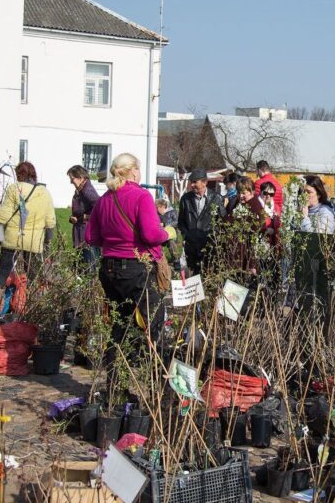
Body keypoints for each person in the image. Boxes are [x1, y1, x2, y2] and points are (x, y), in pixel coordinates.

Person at [85, 153, 169, 392]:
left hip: (109, 268)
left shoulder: (104, 200)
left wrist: (114, 239)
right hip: (136, 267)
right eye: (139, 169)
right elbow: (152, 235)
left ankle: (114, 386)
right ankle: (159, 386)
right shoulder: (142, 196)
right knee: (154, 324)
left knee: (119, 326)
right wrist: (167, 233)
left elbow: (91, 237)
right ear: (133, 171)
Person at [0, 161, 57, 286]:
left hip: (12, 238)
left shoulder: (14, 188)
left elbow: (3, 216)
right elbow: (50, 221)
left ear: (19, 174)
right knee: (32, 276)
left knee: (2, 274)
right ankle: (29, 300)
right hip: (34, 242)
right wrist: (47, 240)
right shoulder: (44, 193)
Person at [177, 169, 225, 276]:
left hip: (209, 246)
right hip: (191, 246)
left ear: (205, 182)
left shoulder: (217, 198)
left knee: (208, 276)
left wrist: (213, 238)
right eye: (191, 182)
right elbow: (181, 222)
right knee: (193, 277)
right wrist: (187, 235)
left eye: (195, 182)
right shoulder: (185, 199)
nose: (192, 185)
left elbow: (222, 222)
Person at [67, 165, 101, 266]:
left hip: (87, 236)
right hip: (81, 234)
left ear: (80, 177)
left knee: (88, 267)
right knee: (82, 267)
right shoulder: (81, 190)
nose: (71, 182)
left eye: (72, 179)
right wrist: (73, 218)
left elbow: (100, 210)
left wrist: (85, 217)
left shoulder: (87, 191)